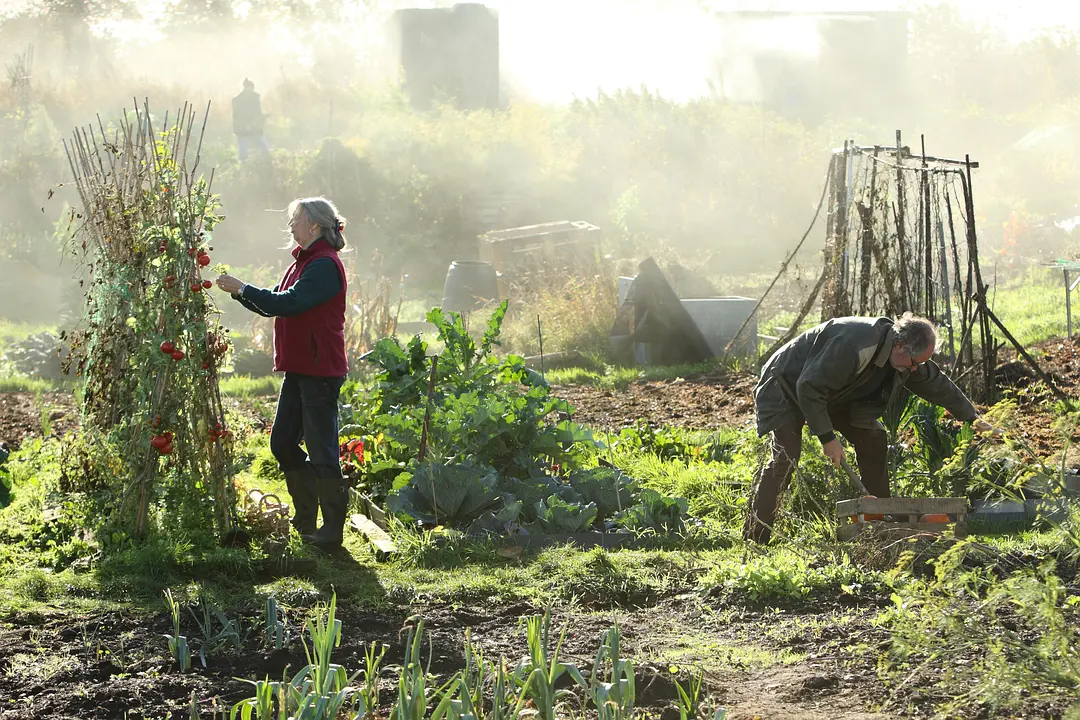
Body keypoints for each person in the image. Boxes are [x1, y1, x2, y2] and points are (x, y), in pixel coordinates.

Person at [743, 313, 999, 543]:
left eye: (918, 364)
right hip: (784, 385)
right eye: (913, 362)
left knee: (874, 439)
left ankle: (878, 526)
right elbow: (809, 388)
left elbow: (937, 384)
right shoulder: (855, 345)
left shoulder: (905, 358)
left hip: (831, 391)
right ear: (900, 345)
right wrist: (828, 438)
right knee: (786, 457)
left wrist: (973, 420)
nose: (914, 369)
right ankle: (756, 535)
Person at [216, 197, 349, 551]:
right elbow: (274, 301)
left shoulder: (323, 265)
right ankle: (306, 520)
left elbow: (288, 303)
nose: (290, 227)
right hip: (300, 368)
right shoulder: (303, 263)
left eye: (295, 220)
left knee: (322, 451)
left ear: (315, 226)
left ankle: (331, 532)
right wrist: (241, 293)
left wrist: (242, 288)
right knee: (282, 443)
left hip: (320, 370)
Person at [232, 78, 269, 161]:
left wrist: (264, 116)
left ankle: (265, 160)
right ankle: (265, 160)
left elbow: (257, 113)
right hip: (245, 128)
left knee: (259, 144)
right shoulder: (242, 99)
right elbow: (239, 115)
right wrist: (247, 125)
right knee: (257, 145)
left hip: (250, 127)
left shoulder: (240, 99)